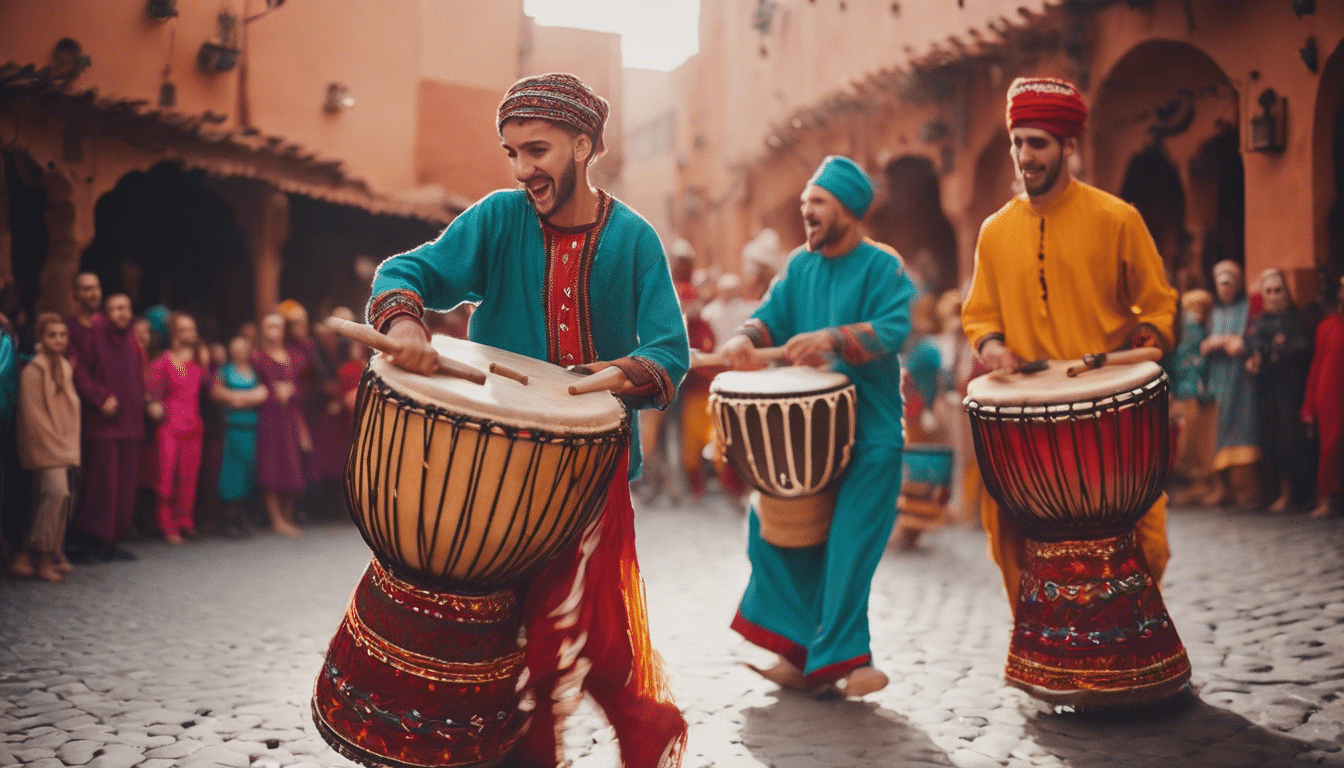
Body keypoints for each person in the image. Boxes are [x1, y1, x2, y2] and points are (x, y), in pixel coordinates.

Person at [370, 72, 689, 768]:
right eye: (512, 153)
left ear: (584, 143)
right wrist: (407, 324)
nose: (523, 170)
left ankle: (601, 732)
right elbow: (408, 269)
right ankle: (601, 731)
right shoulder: (497, 218)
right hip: (498, 466)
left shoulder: (634, 239)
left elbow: (669, 350)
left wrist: (601, 382)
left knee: (565, 624)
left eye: (537, 150)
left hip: (592, 467)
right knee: (510, 623)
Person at [961, 76, 1179, 609]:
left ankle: (1129, 647)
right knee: (1010, 533)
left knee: (1144, 538)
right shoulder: (994, 231)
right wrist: (990, 346)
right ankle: (1041, 650)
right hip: (1027, 416)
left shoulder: (1117, 218)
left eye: (1037, 143)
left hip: (1106, 414)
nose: (1024, 156)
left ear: (1069, 146)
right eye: (1017, 142)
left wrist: (1142, 348)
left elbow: (1157, 304)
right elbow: (980, 312)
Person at [718, 155, 915, 697]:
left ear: (849, 209)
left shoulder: (883, 266)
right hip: (806, 442)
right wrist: (746, 338)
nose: (807, 210)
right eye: (805, 202)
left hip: (871, 434)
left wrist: (831, 339)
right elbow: (769, 315)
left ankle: (850, 662)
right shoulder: (799, 266)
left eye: (818, 202)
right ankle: (797, 651)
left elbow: (894, 328)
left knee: (848, 548)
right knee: (774, 532)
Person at [69, 293, 144, 562]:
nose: (122, 313)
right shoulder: (95, 335)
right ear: (106, 312)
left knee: (124, 488)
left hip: (131, 423)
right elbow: (80, 374)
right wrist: (99, 399)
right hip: (105, 423)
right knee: (103, 487)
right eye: (115, 308)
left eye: (125, 307)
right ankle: (94, 540)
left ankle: (112, 540)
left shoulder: (132, 340)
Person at [13, 314, 79, 582]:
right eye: (52, 335)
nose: (59, 340)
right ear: (40, 339)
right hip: (47, 448)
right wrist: (54, 445)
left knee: (63, 499)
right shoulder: (33, 371)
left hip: (64, 445)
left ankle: (53, 553)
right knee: (54, 493)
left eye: (63, 335)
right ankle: (40, 556)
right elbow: (33, 416)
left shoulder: (64, 367)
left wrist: (67, 443)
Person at [1246, 269, 1315, 512]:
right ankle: (1280, 491)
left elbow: (1301, 347)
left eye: (1278, 290)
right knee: (1272, 437)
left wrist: (1281, 351)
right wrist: (1259, 354)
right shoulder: (1260, 320)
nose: (1274, 296)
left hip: (1291, 389)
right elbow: (1253, 343)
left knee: (1292, 438)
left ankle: (1299, 493)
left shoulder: (1296, 319)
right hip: (1268, 388)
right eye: (1269, 291)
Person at [1201, 260, 1261, 508]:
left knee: (1243, 424)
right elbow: (1203, 345)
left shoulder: (1246, 308)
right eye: (1221, 284)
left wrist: (1233, 342)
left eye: (1229, 283)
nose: (1225, 288)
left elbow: (1251, 339)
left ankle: (1247, 489)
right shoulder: (1214, 313)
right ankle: (1221, 487)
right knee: (1218, 429)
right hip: (1219, 375)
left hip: (1240, 376)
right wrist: (1211, 344)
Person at [146, 312, 208, 544]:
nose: (190, 334)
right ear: (174, 333)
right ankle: (166, 523)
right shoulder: (163, 361)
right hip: (170, 426)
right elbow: (151, 391)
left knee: (189, 477)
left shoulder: (198, 361)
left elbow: (210, 386)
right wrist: (153, 405)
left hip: (194, 425)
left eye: (192, 329)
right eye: (184, 330)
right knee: (167, 476)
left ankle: (185, 520)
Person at [252, 312, 308, 537]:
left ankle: (288, 516)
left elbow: (306, 386)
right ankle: (276, 519)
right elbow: (251, 384)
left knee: (292, 463)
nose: (273, 331)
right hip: (268, 417)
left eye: (277, 326)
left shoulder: (295, 357)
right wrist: (270, 393)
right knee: (271, 464)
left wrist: (293, 390)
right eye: (268, 326)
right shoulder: (257, 358)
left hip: (291, 416)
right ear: (262, 330)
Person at [212, 336, 268, 537]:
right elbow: (217, 394)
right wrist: (248, 398)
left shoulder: (255, 372)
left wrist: (236, 398)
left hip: (252, 429)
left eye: (244, 347)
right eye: (236, 347)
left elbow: (263, 394)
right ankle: (229, 518)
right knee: (231, 474)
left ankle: (243, 516)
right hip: (233, 429)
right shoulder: (224, 371)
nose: (240, 351)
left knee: (248, 472)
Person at [1169, 289, 1219, 504]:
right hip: (1185, 394)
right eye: (1189, 310)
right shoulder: (1184, 334)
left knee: (1199, 441)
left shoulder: (1203, 333)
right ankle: (1190, 483)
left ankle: (1201, 483)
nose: (1193, 315)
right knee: (1186, 442)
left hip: (1199, 396)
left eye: (1198, 310)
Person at [1302, 275, 1344, 518]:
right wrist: (1309, 405)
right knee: (1331, 446)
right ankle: (1328, 498)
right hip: (1330, 399)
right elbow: (1317, 366)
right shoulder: (1329, 327)